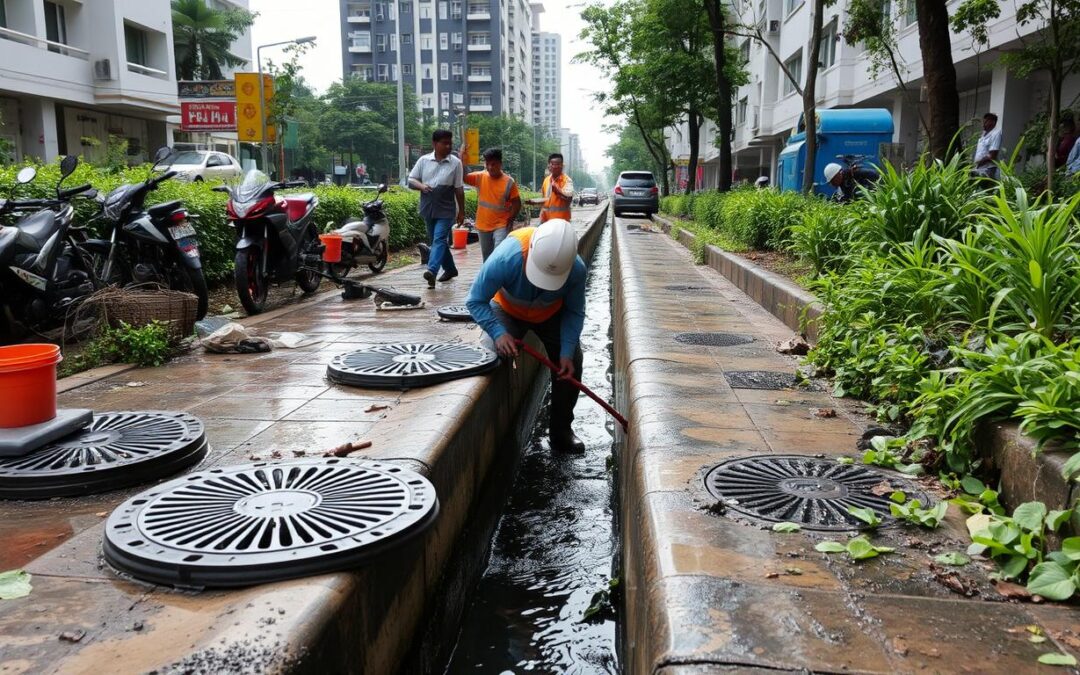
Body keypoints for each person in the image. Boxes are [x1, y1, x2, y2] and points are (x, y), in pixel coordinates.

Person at [466, 219, 587, 453]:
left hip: (551, 315)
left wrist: (566, 351)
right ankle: (501, 438)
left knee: (572, 363)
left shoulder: (576, 270)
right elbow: (475, 300)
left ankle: (562, 432)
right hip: (507, 311)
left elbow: (574, 311)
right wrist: (498, 332)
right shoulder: (506, 257)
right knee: (491, 355)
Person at [409, 129, 465, 288]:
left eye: (450, 143)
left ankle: (432, 270)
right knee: (437, 240)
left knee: (439, 239)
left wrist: (461, 211)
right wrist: (422, 186)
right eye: (444, 143)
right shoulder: (423, 161)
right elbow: (411, 179)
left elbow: (459, 189)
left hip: (446, 208)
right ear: (434, 144)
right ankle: (451, 269)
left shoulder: (456, 163)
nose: (448, 146)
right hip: (428, 206)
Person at [463, 147, 522, 261]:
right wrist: (463, 159)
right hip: (483, 224)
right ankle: (491, 278)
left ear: (500, 164)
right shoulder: (480, 177)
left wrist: (511, 219)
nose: (490, 167)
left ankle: (500, 278)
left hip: (501, 225)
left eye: (494, 164)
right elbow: (463, 177)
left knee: (498, 255)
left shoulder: (509, 182)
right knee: (487, 258)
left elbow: (517, 203)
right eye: (487, 164)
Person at [528, 153, 574, 223]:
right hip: (545, 220)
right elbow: (545, 199)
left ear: (562, 165)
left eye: (558, 164)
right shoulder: (546, 180)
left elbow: (569, 198)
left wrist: (558, 191)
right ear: (549, 165)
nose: (555, 166)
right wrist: (535, 202)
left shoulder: (567, 180)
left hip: (561, 221)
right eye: (552, 164)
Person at [973, 112, 1002, 179]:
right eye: (983, 121)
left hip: (988, 169)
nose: (983, 124)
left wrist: (979, 162)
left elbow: (992, 155)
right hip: (979, 168)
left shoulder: (996, 134)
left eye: (986, 122)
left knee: (986, 188)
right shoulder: (983, 134)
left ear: (993, 122)